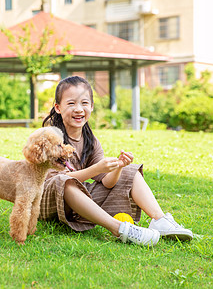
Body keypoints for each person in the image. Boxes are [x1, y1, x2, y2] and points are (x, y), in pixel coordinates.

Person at [39, 76, 193, 246]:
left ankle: (160, 220)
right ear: (58, 108)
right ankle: (119, 228)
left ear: (91, 106)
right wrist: (96, 169)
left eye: (84, 103)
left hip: (75, 205)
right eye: (71, 103)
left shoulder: (90, 140)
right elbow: (55, 182)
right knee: (65, 181)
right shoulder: (50, 137)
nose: (79, 109)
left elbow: (107, 182)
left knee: (130, 171)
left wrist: (119, 167)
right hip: (47, 202)